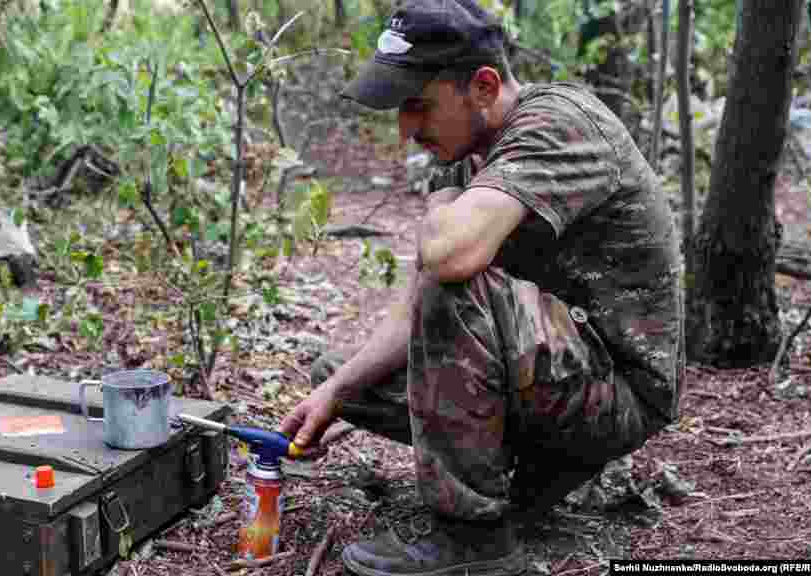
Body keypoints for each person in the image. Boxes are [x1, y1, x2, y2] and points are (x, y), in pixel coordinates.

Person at [278, 1, 685, 575]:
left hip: (618, 394)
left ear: (485, 86)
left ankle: (475, 540)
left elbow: (446, 262)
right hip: (552, 367)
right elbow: (414, 305)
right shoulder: (467, 147)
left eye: (418, 105)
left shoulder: (559, 125)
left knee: (455, 280)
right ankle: (529, 477)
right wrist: (334, 394)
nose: (406, 129)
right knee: (341, 378)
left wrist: (443, 201)